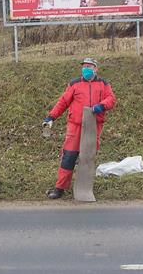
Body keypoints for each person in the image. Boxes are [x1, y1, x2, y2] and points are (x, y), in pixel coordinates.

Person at [42, 58, 116, 199]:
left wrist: (102, 105)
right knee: (69, 157)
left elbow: (111, 99)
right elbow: (63, 102)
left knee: (88, 158)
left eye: (89, 66)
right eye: (84, 66)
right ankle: (60, 188)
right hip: (75, 126)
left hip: (93, 126)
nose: (86, 69)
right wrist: (51, 117)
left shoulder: (103, 83)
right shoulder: (74, 84)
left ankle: (85, 188)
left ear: (96, 69)